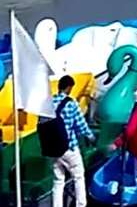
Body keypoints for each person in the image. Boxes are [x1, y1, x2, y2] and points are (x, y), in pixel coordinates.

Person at [50, 75, 96, 207]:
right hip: (69, 147)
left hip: (52, 148)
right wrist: (91, 137)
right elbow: (81, 125)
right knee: (78, 176)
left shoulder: (49, 103)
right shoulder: (71, 103)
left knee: (58, 180)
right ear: (69, 87)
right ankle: (81, 205)